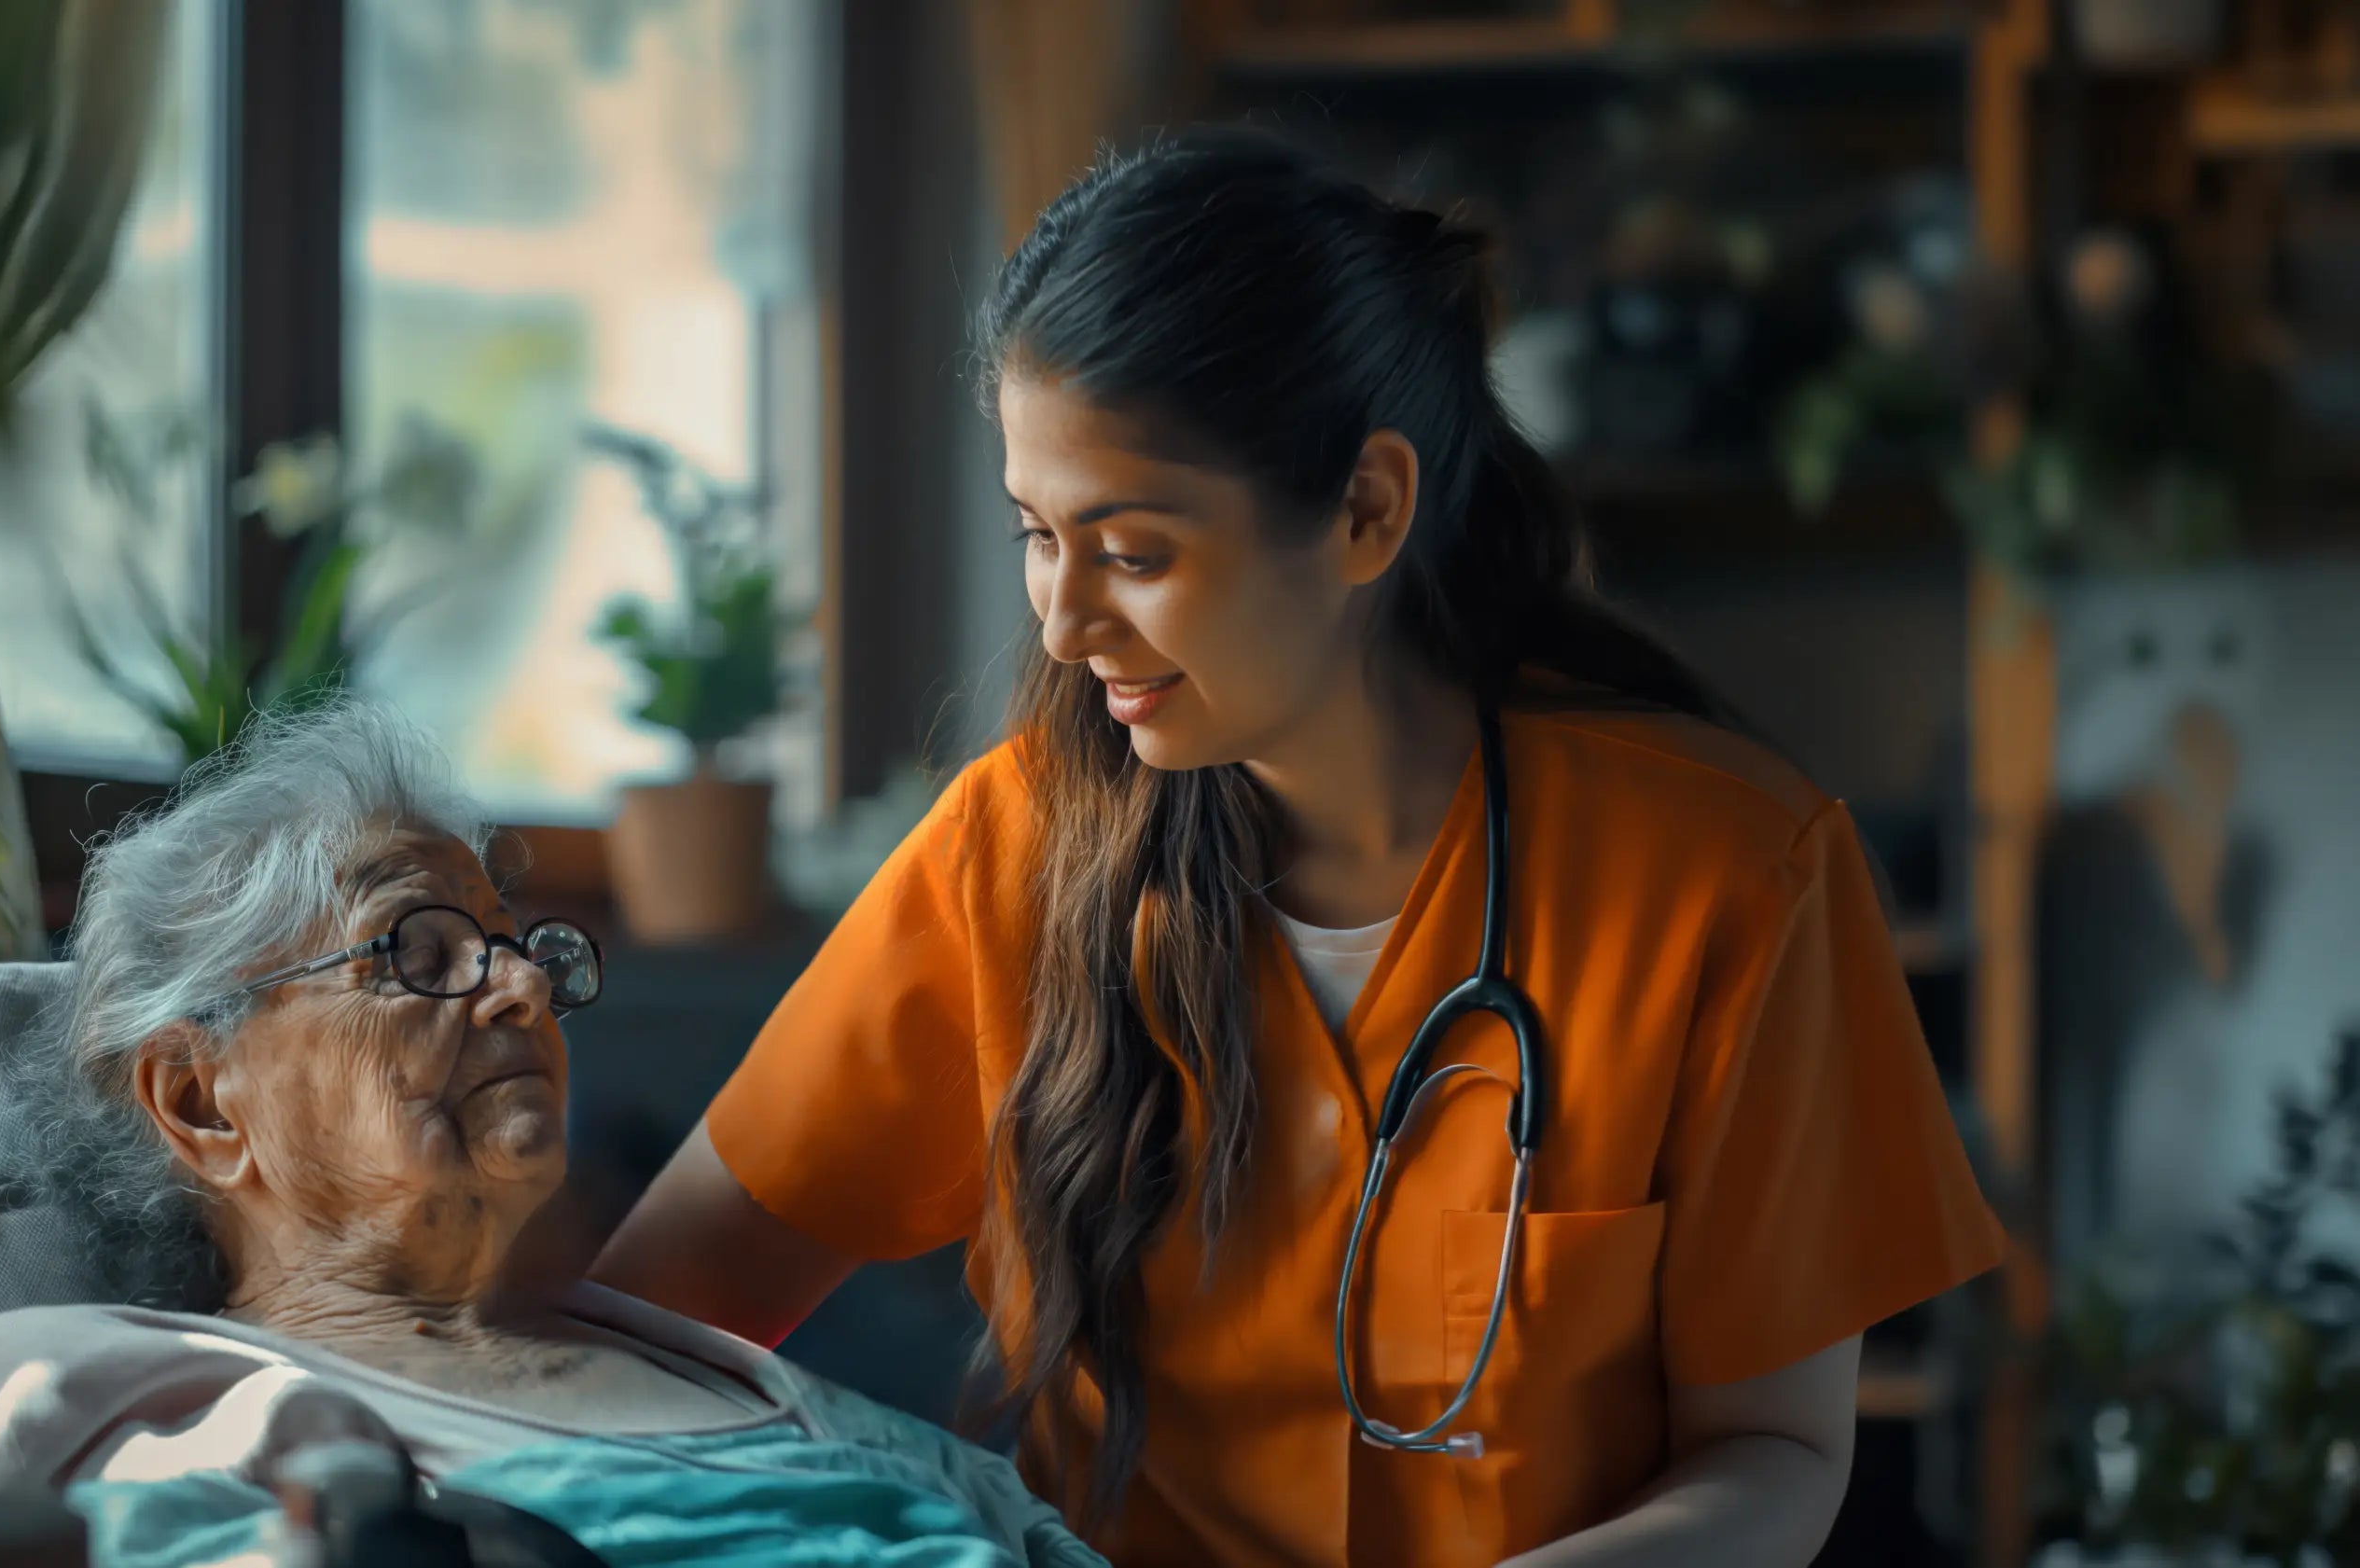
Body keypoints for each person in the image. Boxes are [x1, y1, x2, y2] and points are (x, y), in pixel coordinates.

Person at [593, 132, 2006, 1568]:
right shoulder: (1007, 853)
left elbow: (1773, 1454)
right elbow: (652, 1312)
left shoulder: (1730, 878)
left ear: (1365, 509)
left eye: (1133, 551)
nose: (1064, 623)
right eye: (1037, 534)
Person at [0, 700, 1100, 1568]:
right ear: (201, 1101)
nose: (519, 989)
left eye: (523, 949)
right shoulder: (104, 1392)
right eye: (415, 951)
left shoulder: (779, 1398)